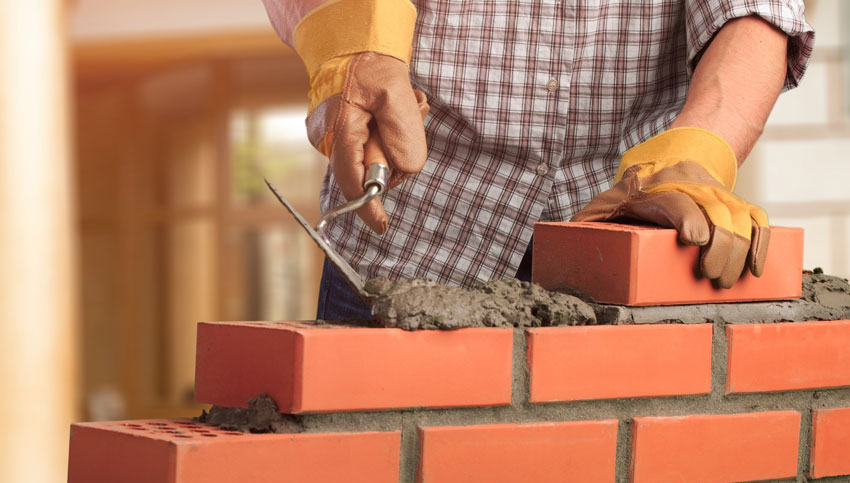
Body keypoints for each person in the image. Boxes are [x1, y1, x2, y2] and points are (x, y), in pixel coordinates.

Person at [261, 0, 814, 321]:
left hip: (628, 239)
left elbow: (755, 10)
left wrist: (698, 150)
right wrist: (355, 48)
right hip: (409, 244)